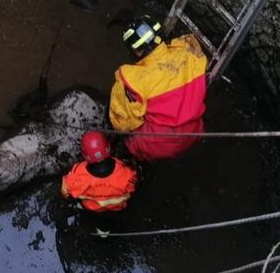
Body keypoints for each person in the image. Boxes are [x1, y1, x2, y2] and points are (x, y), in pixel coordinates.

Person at [109, 16, 208, 161]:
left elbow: (123, 124)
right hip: (194, 132)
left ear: (136, 51)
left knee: (129, 137)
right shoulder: (189, 51)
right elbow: (186, 44)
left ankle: (132, 161)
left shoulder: (132, 79)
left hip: (159, 145)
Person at [61, 131, 138, 212]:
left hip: (93, 208)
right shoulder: (126, 173)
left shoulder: (78, 174)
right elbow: (133, 187)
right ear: (108, 147)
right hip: (117, 208)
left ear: (85, 154)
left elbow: (66, 191)